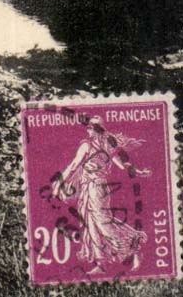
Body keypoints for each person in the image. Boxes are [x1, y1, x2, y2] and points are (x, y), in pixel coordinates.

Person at [51, 117, 151, 273]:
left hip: (95, 187)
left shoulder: (89, 145)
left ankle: (133, 248)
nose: (88, 130)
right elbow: (122, 165)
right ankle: (100, 263)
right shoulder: (106, 146)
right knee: (90, 222)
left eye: (90, 128)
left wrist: (59, 183)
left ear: (96, 130)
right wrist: (138, 172)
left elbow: (73, 166)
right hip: (91, 187)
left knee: (102, 222)